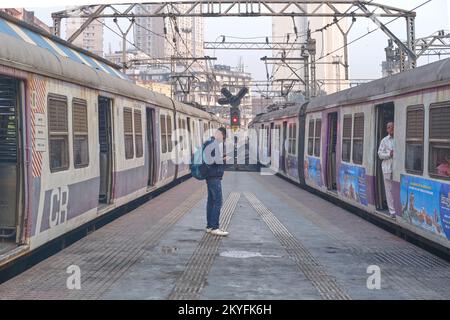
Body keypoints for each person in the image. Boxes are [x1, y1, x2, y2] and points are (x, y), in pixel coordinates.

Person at [203, 127, 228, 236]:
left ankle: (209, 226)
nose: (223, 140)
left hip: (209, 176)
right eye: (224, 137)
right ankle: (215, 227)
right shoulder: (213, 144)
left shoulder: (209, 142)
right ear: (220, 134)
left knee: (211, 201)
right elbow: (212, 161)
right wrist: (223, 159)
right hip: (214, 177)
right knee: (218, 201)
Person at [378, 122, 396, 219]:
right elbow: (380, 154)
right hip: (387, 168)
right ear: (387, 129)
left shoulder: (399, 139)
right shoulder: (384, 141)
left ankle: (397, 210)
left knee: (396, 189)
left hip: (397, 169)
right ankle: (392, 211)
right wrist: (389, 154)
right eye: (389, 127)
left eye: (392, 127)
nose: (391, 129)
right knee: (389, 191)